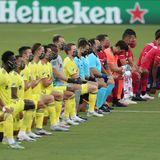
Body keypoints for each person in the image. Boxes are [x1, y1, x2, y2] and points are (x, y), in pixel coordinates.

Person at [63, 43, 102, 117]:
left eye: (75, 49)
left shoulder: (72, 60)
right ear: (68, 51)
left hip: (74, 83)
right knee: (92, 87)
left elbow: (77, 76)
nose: (76, 51)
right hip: (69, 85)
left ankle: (82, 112)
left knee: (93, 86)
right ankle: (75, 114)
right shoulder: (68, 61)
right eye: (73, 50)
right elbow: (75, 77)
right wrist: (85, 81)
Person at [0, 51, 25, 149]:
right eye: (13, 60)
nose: (16, 62)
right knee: (8, 115)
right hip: (2, 107)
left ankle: (6, 138)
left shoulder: (8, 74)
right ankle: (11, 142)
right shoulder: (1, 74)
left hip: (6, 105)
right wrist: (3, 107)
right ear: (7, 61)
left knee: (21, 103)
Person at [104, 40, 129, 107]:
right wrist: (125, 68)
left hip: (109, 73)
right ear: (118, 47)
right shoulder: (108, 53)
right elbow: (113, 68)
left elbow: (116, 68)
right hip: (104, 73)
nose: (121, 53)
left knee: (120, 77)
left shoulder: (115, 54)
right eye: (121, 51)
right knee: (117, 78)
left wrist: (122, 70)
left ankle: (117, 100)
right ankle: (108, 100)